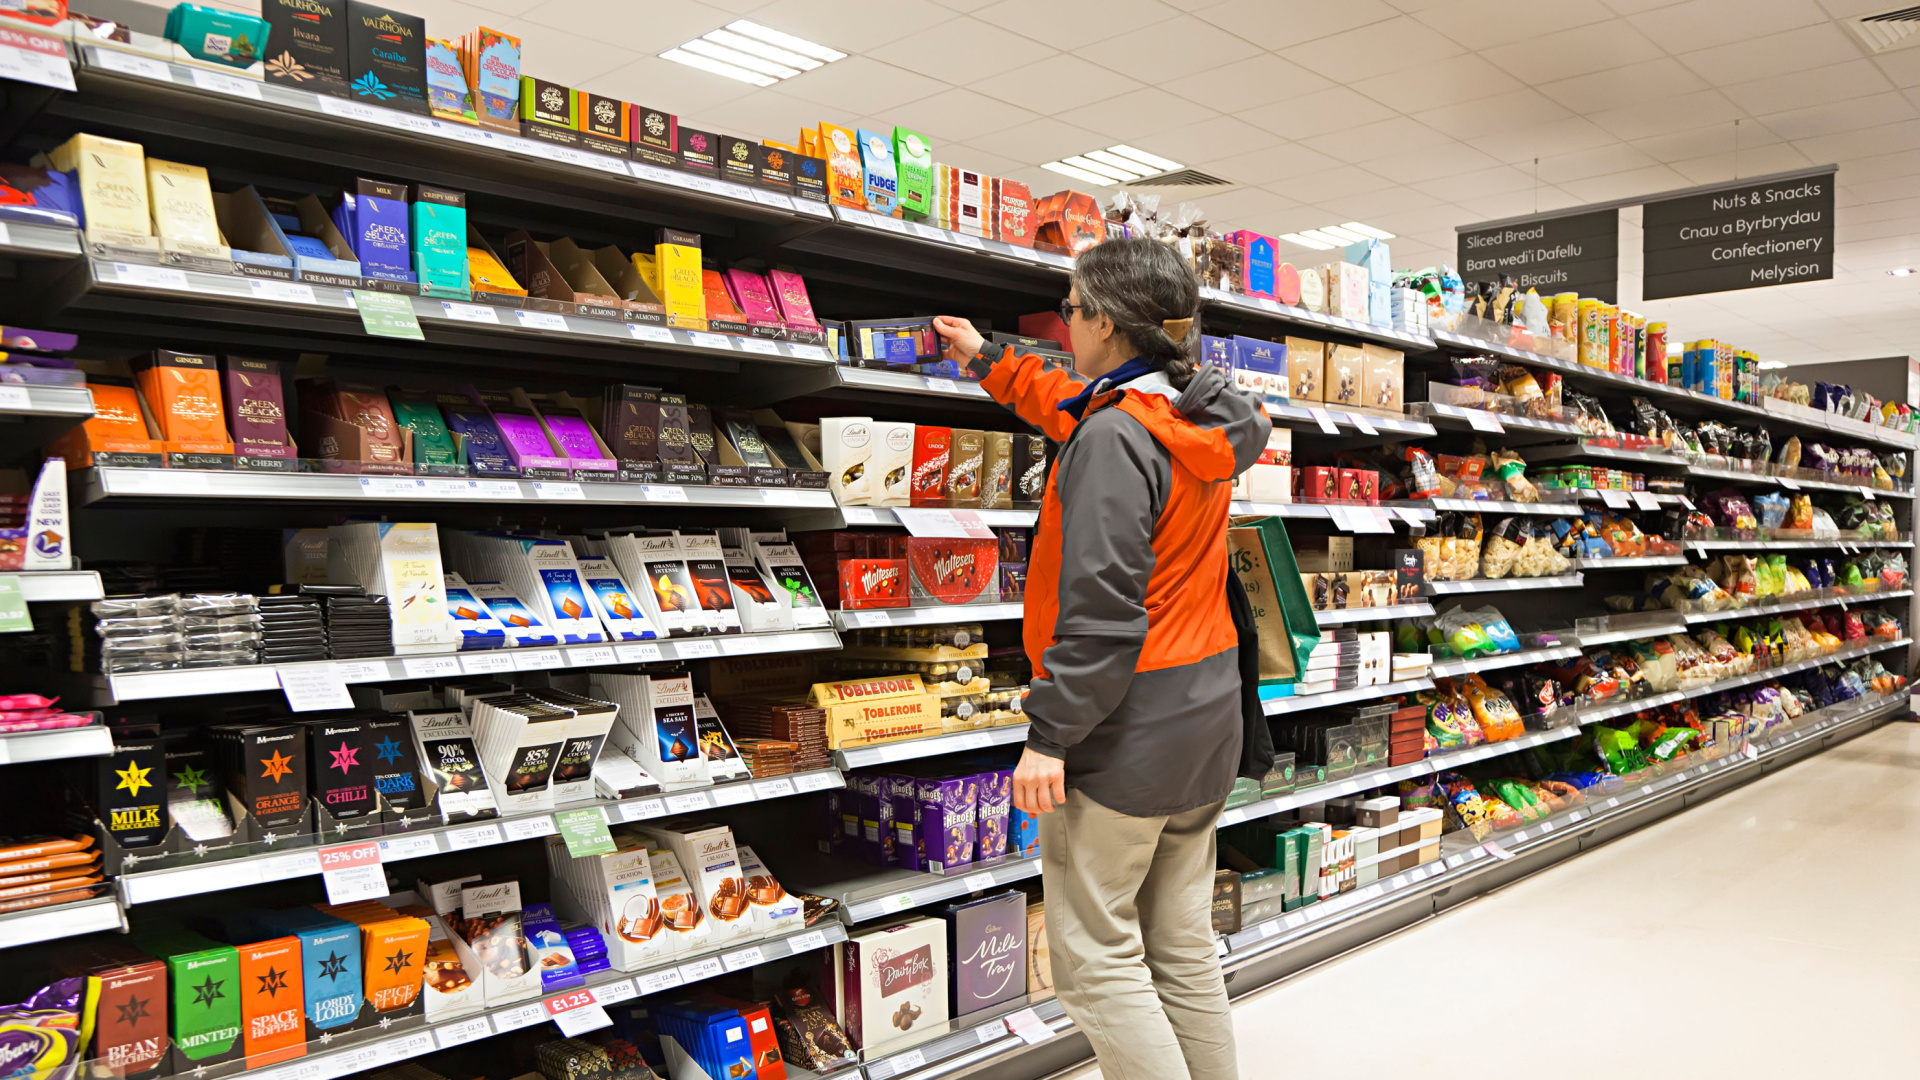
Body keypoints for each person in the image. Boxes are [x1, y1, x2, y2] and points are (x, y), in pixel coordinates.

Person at [931, 236, 1271, 1080]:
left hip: (1128, 728)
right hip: (1206, 714)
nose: (1064, 323)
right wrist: (988, 358)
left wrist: (1049, 735)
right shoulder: (1195, 415)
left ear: (1110, 323)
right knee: (1179, 943)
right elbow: (1077, 406)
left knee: (1094, 960)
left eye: (1072, 310)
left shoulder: (1117, 439)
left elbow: (1101, 611)